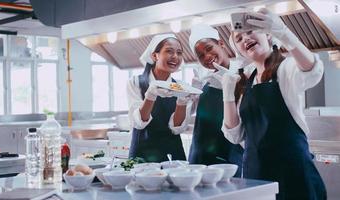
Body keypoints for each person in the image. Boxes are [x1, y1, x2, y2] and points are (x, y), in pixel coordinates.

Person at [222, 8, 326, 199]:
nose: (245, 38)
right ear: (238, 50)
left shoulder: (285, 68)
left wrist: (284, 33)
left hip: (292, 171)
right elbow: (234, 135)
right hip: (256, 174)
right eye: (239, 38)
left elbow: (312, 71)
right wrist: (228, 95)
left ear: (268, 35)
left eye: (250, 31)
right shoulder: (245, 80)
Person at [187, 24, 244, 175]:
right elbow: (185, 118)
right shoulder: (203, 80)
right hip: (198, 159)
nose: (206, 57)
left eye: (209, 48)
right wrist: (190, 95)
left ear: (221, 44)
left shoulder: (243, 73)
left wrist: (235, 86)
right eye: (200, 56)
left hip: (229, 158)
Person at [127, 33, 194, 162]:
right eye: (169, 51)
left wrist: (182, 100)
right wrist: (150, 95)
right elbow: (139, 122)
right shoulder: (135, 82)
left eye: (179, 53)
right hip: (142, 154)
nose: (175, 56)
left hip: (172, 155)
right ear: (155, 55)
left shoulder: (181, 87)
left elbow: (177, 127)